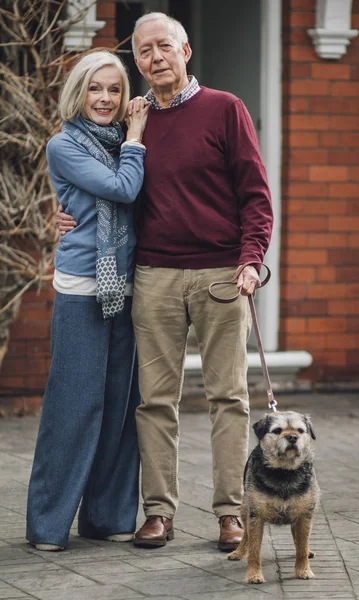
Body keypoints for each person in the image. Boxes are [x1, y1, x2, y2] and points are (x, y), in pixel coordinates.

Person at [57, 13, 273, 552]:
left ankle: (230, 514)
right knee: (154, 402)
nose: (154, 58)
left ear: (185, 50)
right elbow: (95, 182)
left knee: (229, 399)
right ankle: (158, 513)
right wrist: (58, 214)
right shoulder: (133, 119)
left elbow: (256, 195)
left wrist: (251, 260)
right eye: (144, 51)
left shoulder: (226, 109)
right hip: (151, 276)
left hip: (223, 275)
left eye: (163, 47)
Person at [26, 50, 149, 551]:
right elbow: (122, 188)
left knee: (122, 407)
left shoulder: (127, 140)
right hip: (82, 287)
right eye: (95, 88)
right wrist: (138, 139)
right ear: (79, 93)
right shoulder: (65, 144)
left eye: (115, 89)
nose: (105, 98)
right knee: (74, 407)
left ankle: (108, 517)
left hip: (132, 285)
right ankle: (48, 525)